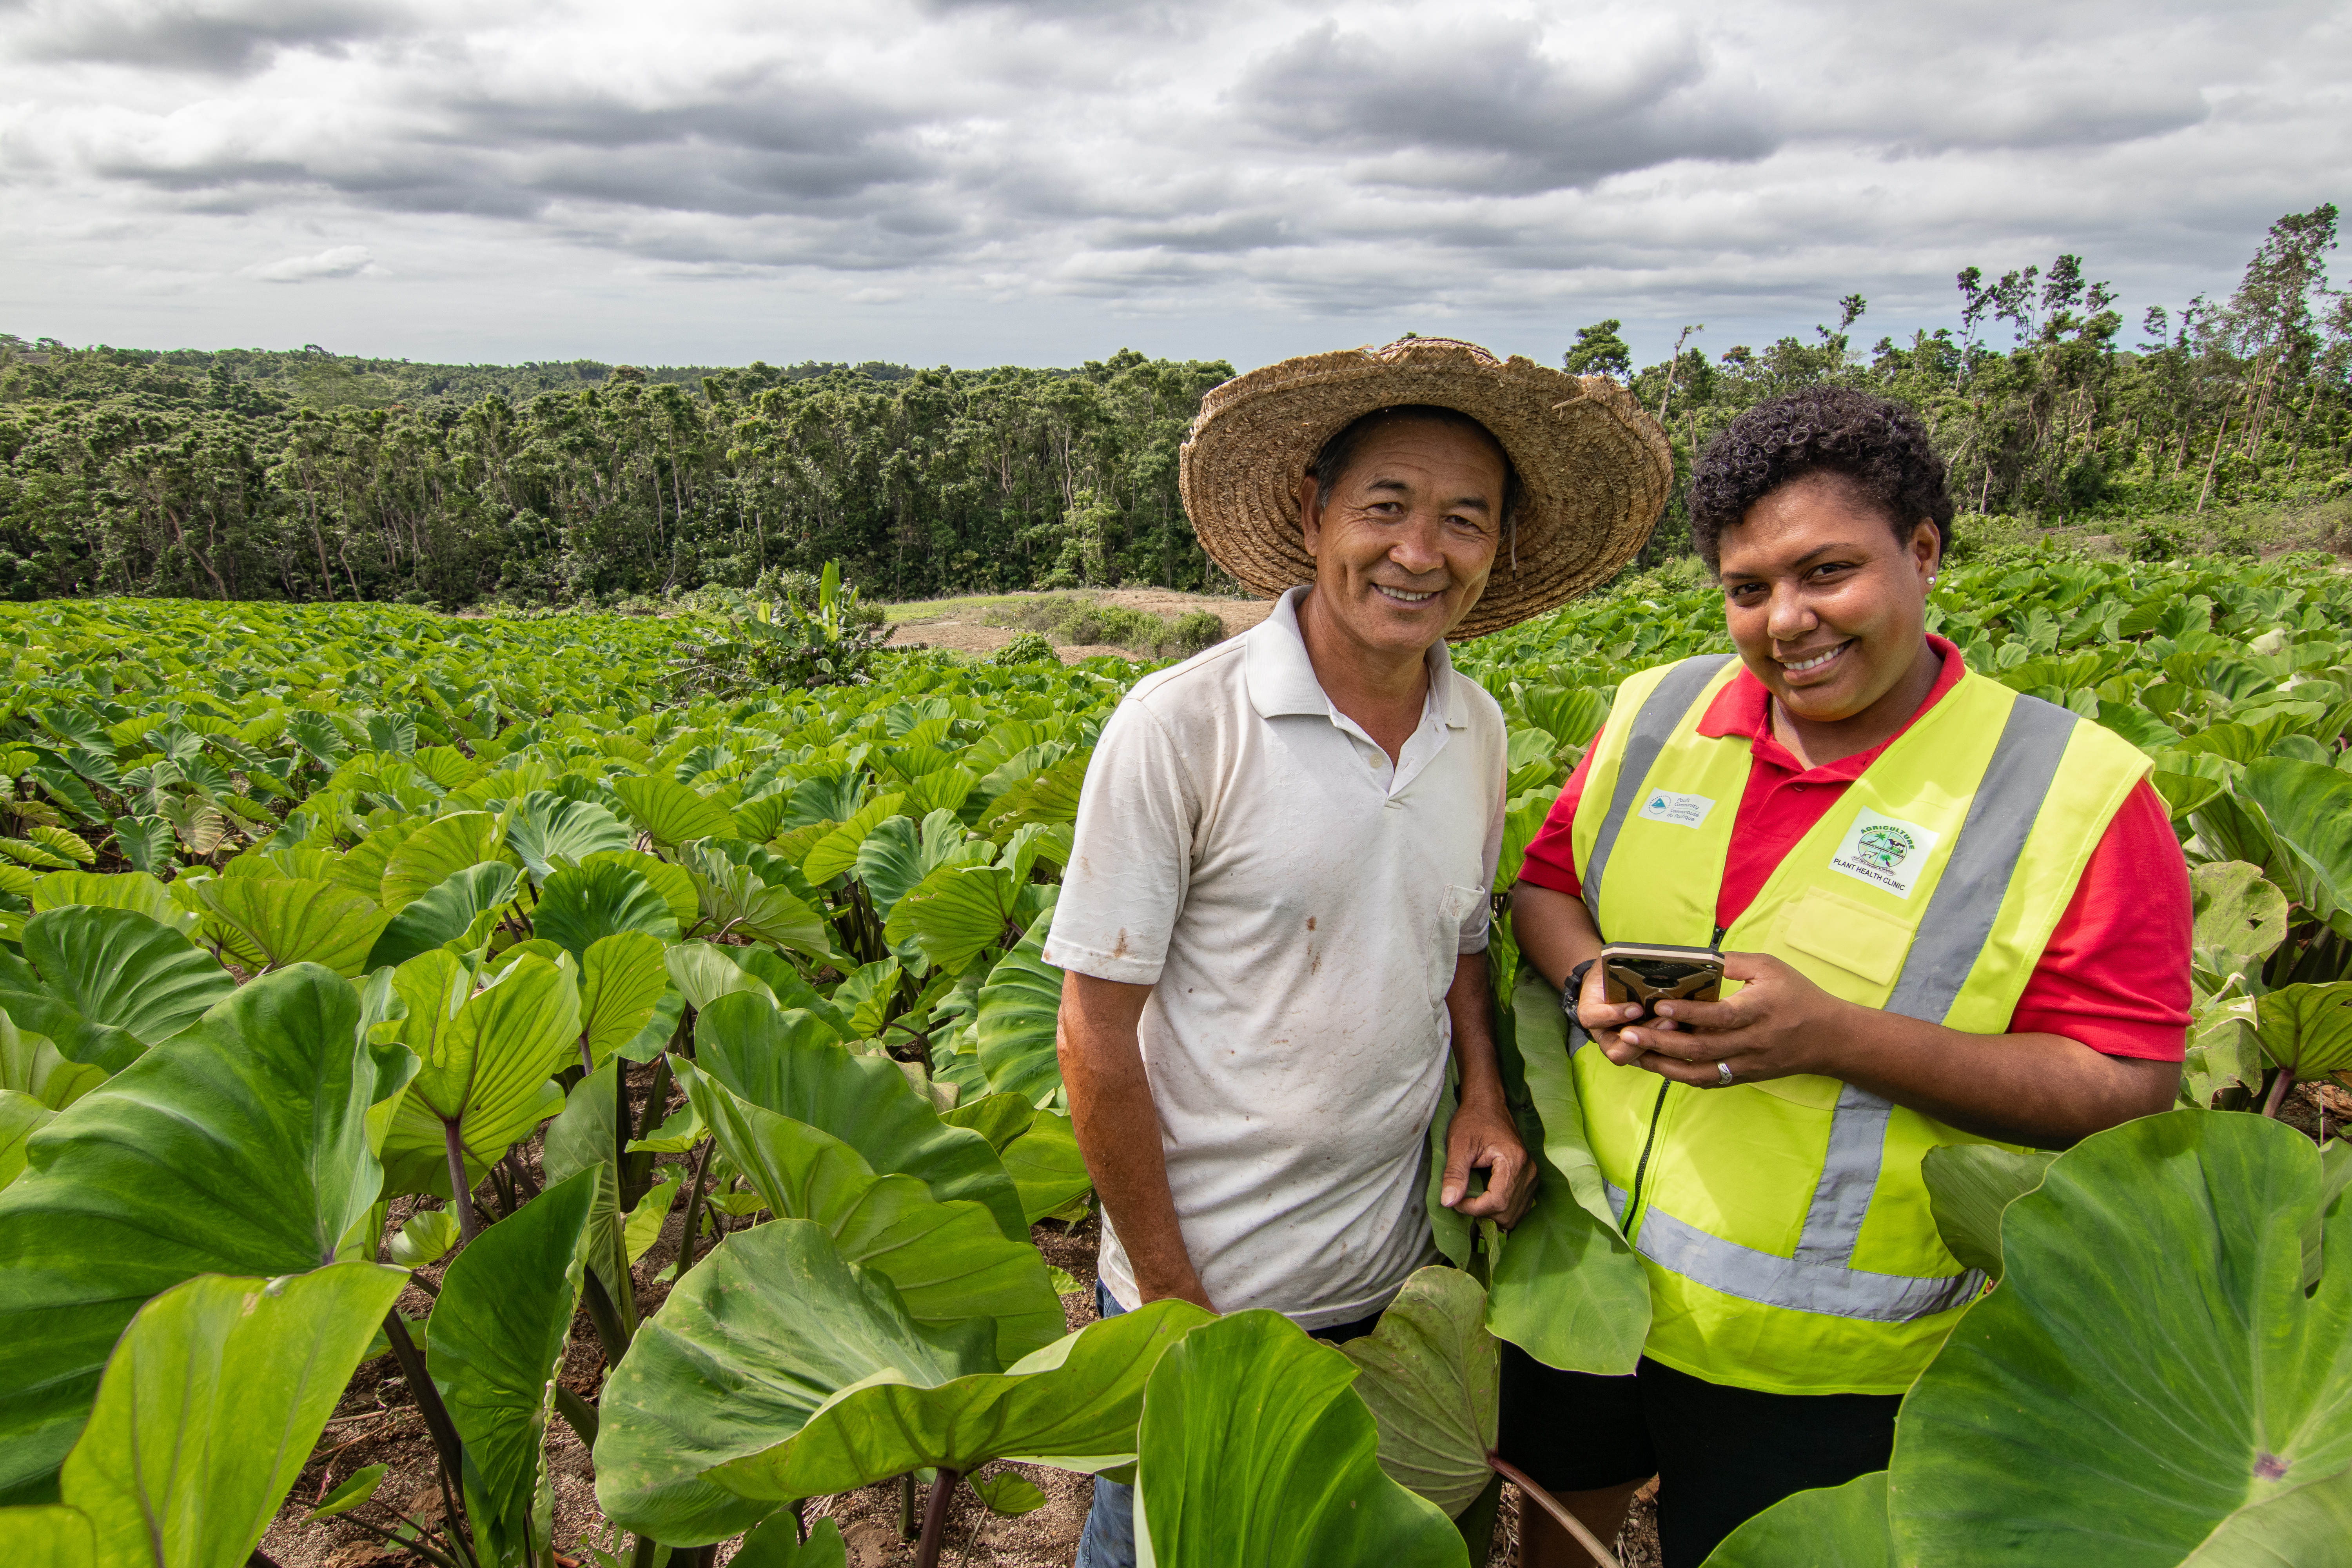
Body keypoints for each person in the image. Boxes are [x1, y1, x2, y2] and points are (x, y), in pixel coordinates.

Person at [1501, 386, 2191, 1568]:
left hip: (1830, 1362)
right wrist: (1583, 983)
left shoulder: (2071, 788)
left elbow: (2127, 1090)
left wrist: (1834, 1037)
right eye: (1748, 587)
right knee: (1565, 1529)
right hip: (1590, 1289)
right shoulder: (1659, 710)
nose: (1787, 622)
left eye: (1828, 573)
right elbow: (1547, 886)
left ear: (1923, 552)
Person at [1047, 337, 1677, 1568]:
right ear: (1312, 511)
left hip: (1399, 1278)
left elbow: (1457, 936)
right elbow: (1093, 1031)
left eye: (1463, 519)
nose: (1418, 550)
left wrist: (1485, 1099)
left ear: (1497, 548)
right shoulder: (1181, 728)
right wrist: (1174, 1301)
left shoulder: (1476, 725)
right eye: (1385, 506)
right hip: (1210, 1285)